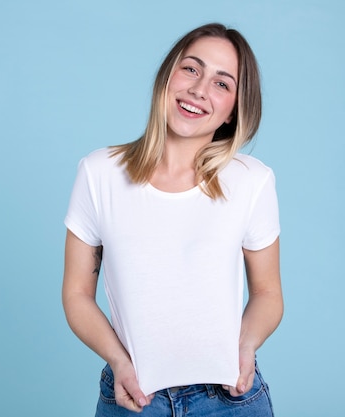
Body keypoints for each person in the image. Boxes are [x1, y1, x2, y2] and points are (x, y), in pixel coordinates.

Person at [62, 23, 282, 416]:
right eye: (192, 69)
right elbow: (77, 294)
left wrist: (245, 346)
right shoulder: (99, 173)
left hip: (229, 400)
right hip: (133, 398)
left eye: (222, 83)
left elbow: (267, 293)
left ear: (234, 109)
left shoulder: (252, 181)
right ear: (168, 76)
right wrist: (118, 361)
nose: (199, 90)